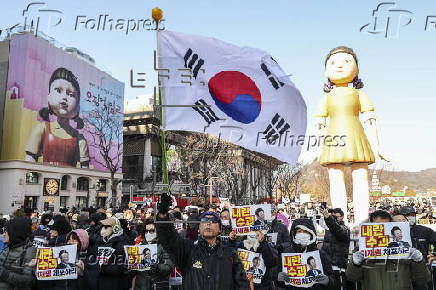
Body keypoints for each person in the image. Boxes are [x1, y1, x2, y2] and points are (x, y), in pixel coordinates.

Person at [156, 194, 250, 290]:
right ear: (199, 228)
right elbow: (170, 239)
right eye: (204, 220)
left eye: (213, 221)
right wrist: (163, 216)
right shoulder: (188, 250)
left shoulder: (230, 253)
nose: (208, 223)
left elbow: (242, 284)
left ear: (220, 229)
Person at [346, 210, 431, 290]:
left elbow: (423, 278)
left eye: (386, 226)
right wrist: (355, 264)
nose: (382, 230)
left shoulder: (407, 245)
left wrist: (419, 262)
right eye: (377, 226)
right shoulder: (362, 248)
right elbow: (351, 277)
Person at [25, 67, 89, 167]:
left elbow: (86, 170)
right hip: (45, 177)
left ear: (78, 106)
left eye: (71, 94)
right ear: (49, 97)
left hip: (70, 179)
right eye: (58, 90)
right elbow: (30, 160)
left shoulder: (79, 139)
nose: (64, 97)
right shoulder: (42, 129)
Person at [276, 218, 337, 289]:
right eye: (299, 231)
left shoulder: (320, 254)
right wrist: (278, 279)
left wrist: (328, 281)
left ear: (311, 234)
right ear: (294, 234)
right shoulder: (286, 254)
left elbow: (334, 282)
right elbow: (279, 283)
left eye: (305, 231)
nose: (302, 234)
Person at [87, 217, 130, 290]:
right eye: (102, 226)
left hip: (115, 283)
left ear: (115, 228)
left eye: (106, 227)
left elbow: (121, 266)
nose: (103, 229)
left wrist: (102, 268)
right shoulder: (101, 241)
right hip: (100, 282)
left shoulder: (123, 243)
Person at [134, 219, 173, 290]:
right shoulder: (139, 245)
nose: (148, 233)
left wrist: (157, 266)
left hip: (157, 285)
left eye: (152, 231)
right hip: (140, 285)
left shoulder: (165, 245)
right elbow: (134, 271)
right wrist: (129, 265)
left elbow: (169, 266)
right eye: (146, 231)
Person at [0, 216, 37, 290]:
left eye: (6, 232)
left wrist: (4, 274)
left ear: (15, 232)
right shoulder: (7, 247)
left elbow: (29, 281)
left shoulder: (29, 251)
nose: (3, 234)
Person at [321, 208, 352, 290]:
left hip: (337, 266)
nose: (333, 218)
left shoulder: (344, 229)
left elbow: (336, 229)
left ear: (342, 217)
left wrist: (328, 217)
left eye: (336, 216)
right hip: (327, 266)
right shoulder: (329, 229)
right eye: (332, 216)